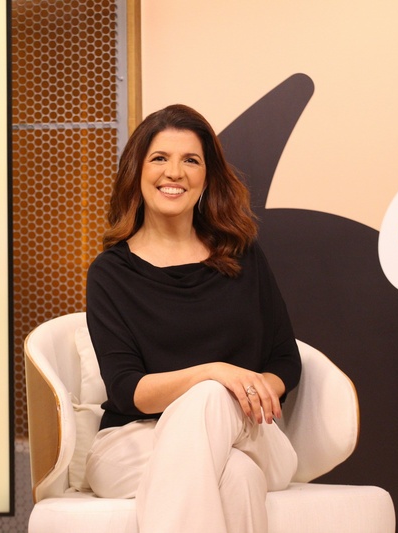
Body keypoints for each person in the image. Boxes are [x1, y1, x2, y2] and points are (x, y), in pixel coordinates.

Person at [84, 104, 302, 533]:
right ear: (137, 170)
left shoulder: (242, 256)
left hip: (250, 432)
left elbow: (284, 359)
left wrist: (242, 393)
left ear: (207, 176)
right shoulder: (111, 272)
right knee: (236, 475)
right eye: (159, 158)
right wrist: (214, 373)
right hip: (133, 441)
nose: (174, 172)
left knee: (214, 398)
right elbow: (127, 390)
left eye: (191, 160)